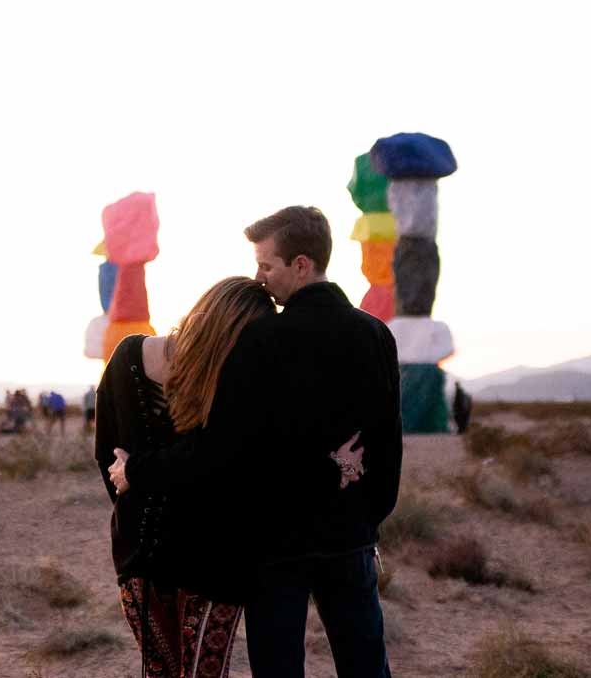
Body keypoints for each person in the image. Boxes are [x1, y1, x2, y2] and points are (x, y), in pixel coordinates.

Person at [109, 206, 401, 678]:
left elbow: (220, 449)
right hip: (350, 536)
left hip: (275, 545)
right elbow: (388, 447)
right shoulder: (375, 334)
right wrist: (369, 518)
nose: (260, 278)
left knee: (279, 670)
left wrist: (136, 471)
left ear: (301, 265)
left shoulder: (259, 340)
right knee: (366, 665)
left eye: (267, 265)